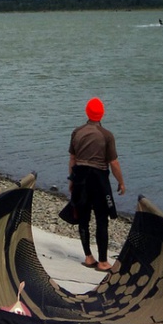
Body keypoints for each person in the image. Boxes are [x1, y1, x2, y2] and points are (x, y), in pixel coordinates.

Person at [68, 97, 126, 272]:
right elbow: (113, 162)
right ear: (102, 114)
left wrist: (72, 180)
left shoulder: (76, 132)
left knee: (83, 219)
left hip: (80, 177)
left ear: (87, 112)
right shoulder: (107, 135)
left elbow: (72, 159)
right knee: (102, 219)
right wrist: (121, 182)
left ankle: (88, 257)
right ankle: (102, 261)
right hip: (98, 179)